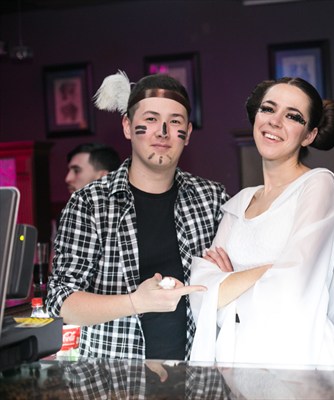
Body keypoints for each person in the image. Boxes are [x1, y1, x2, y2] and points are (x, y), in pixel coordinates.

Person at [46, 71, 229, 360]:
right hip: (113, 377)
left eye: (175, 121)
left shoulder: (212, 199)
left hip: (197, 373)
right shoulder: (89, 203)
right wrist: (136, 302)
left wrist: (229, 275)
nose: (163, 132)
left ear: (188, 133)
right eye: (151, 119)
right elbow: (60, 301)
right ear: (128, 126)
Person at [189, 77, 334, 367]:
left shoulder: (318, 185)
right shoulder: (239, 202)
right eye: (268, 109)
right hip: (238, 363)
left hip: (302, 363)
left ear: (309, 135)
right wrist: (269, 270)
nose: (274, 121)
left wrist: (229, 282)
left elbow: (292, 289)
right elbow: (200, 292)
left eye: (292, 116)